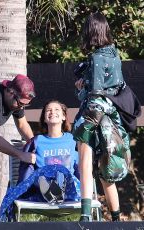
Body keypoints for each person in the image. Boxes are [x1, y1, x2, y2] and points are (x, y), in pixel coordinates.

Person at [72, 11, 141, 222]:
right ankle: (116, 219)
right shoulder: (115, 55)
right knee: (106, 170)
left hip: (95, 115)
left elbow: (94, 95)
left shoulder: (96, 59)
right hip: (113, 120)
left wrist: (79, 90)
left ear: (90, 32)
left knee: (85, 160)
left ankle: (84, 216)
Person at [0, 100, 80, 221]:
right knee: (42, 175)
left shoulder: (73, 140)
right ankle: (52, 193)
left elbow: (80, 168)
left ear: (63, 117)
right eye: (48, 110)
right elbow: (27, 170)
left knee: (61, 172)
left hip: (69, 188)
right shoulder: (36, 142)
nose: (52, 112)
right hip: (43, 190)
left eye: (57, 110)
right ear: (44, 119)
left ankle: (57, 193)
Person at [0, 74, 36, 164]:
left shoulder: (16, 103)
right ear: (10, 92)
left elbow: (22, 125)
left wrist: (35, 145)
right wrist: (20, 155)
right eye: (21, 103)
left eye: (25, 105)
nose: (22, 107)